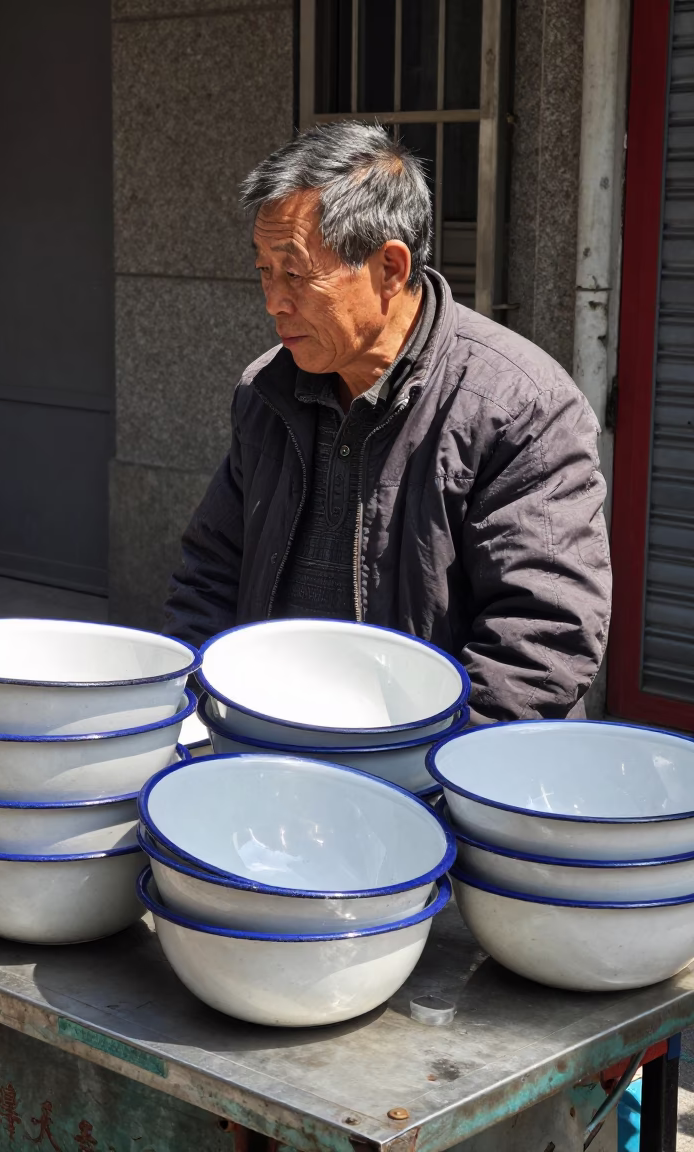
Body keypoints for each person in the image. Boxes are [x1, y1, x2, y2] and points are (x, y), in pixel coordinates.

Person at [164, 122, 611, 724]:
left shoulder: (519, 405)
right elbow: (211, 572)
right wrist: (198, 708)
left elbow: (543, 632)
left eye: (295, 273)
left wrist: (419, 769)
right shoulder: (267, 391)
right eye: (264, 272)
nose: (274, 301)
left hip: (439, 773)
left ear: (390, 269)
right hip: (268, 748)